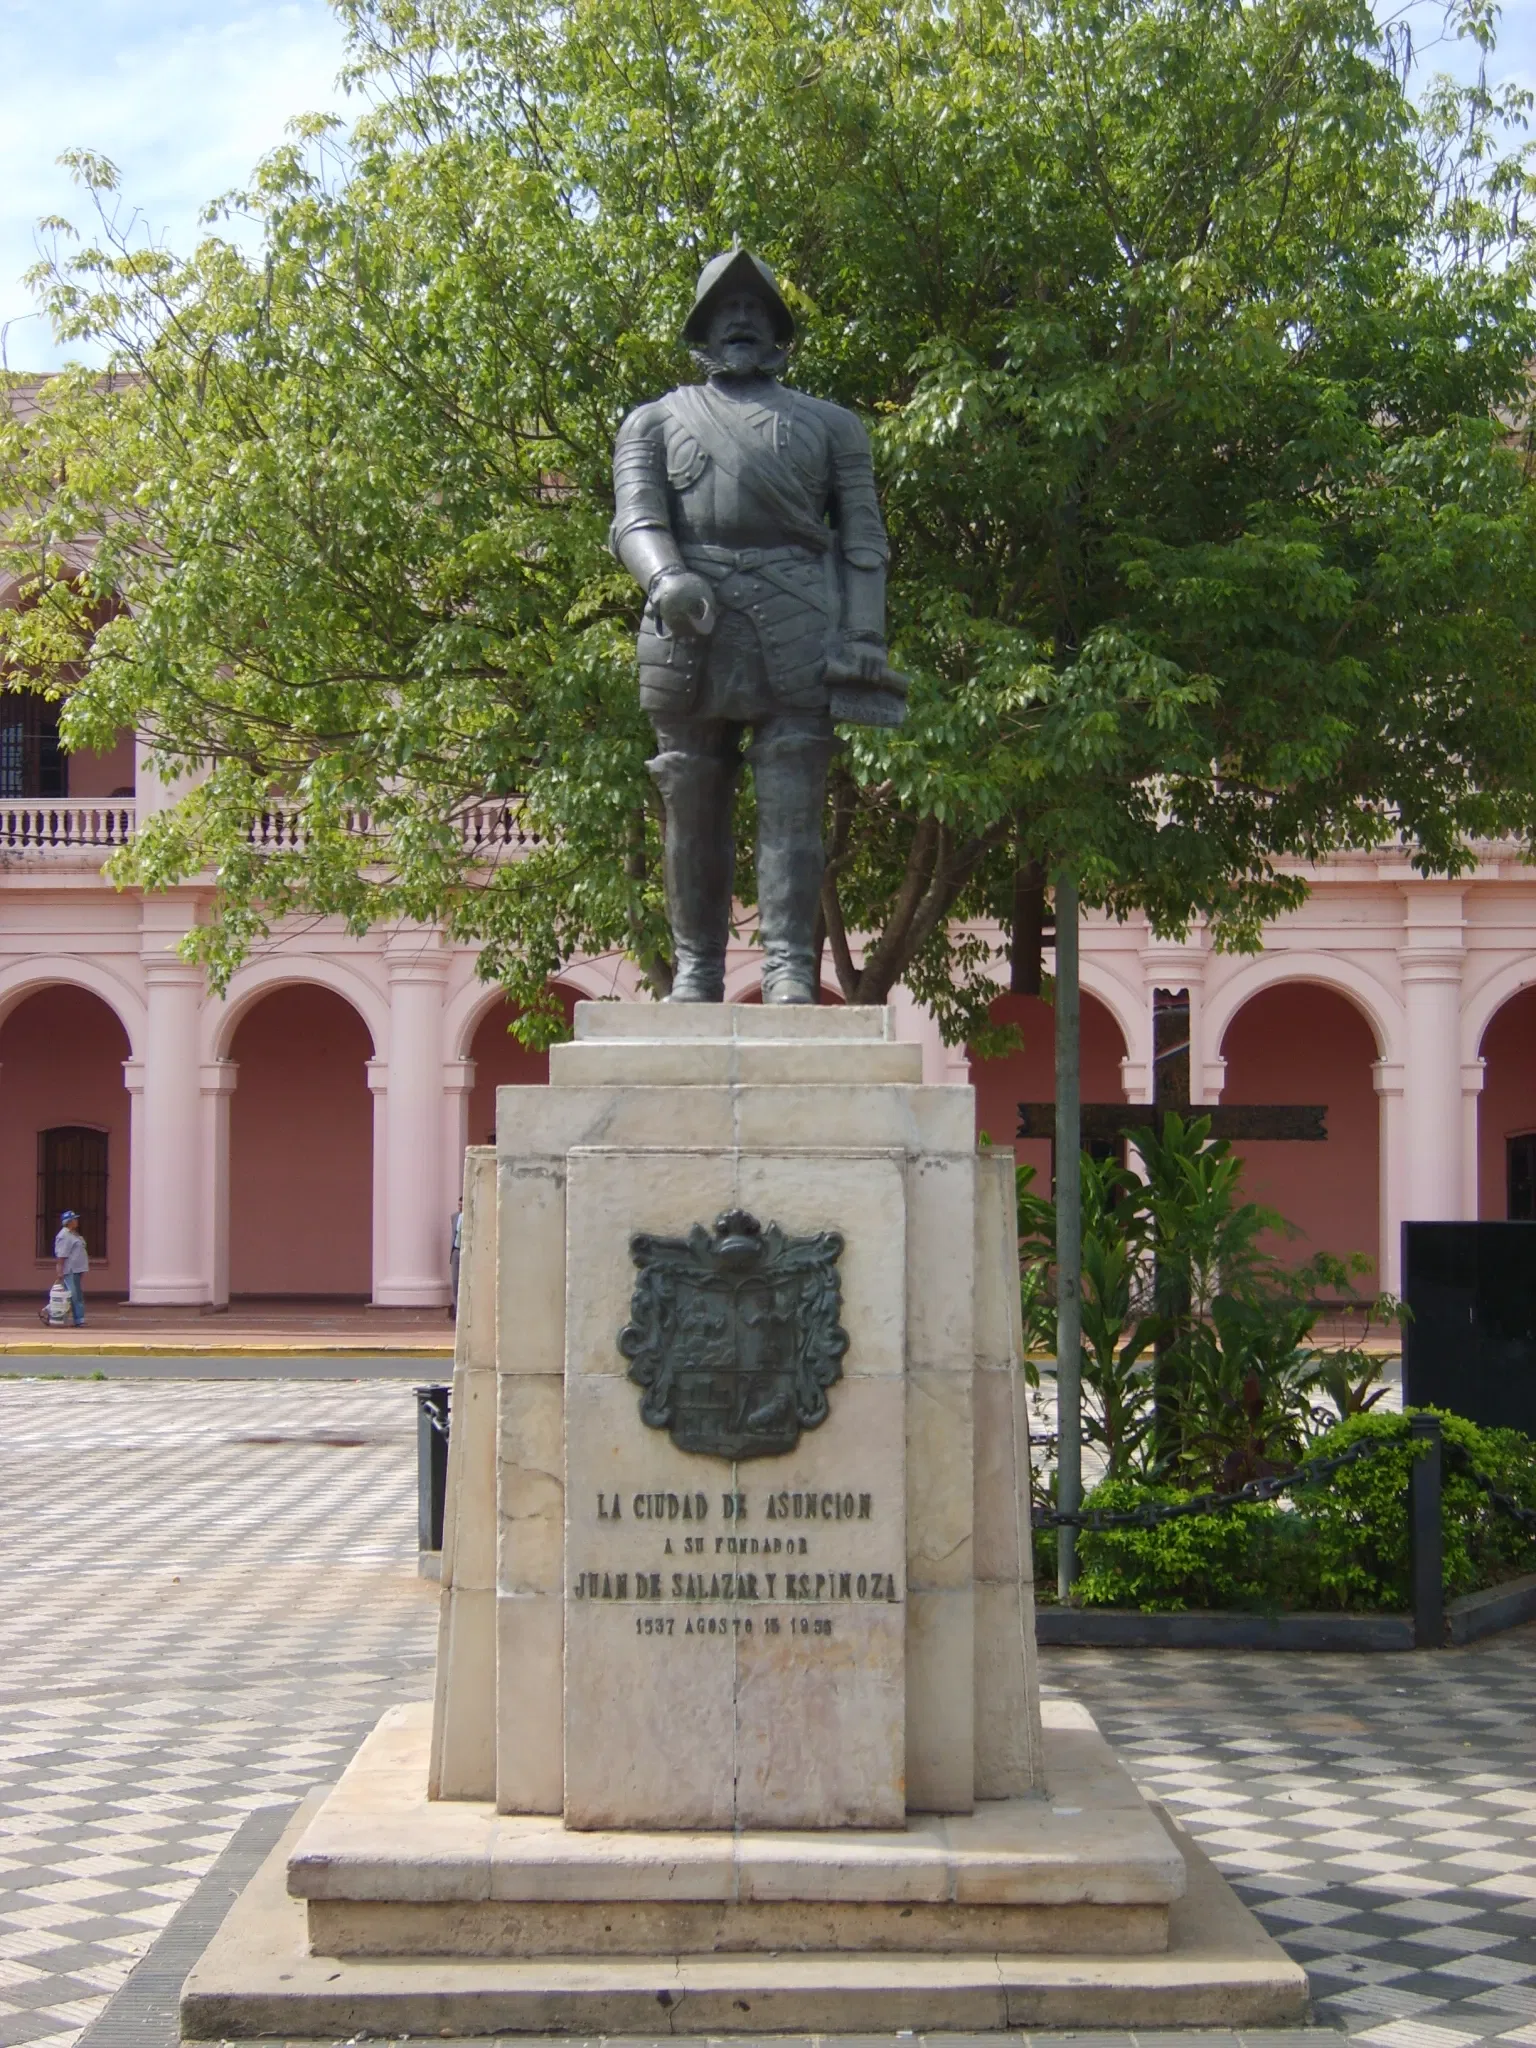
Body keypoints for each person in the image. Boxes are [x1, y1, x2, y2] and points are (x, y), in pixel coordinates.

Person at [610, 248, 904, 1004]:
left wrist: (865, 637)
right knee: (690, 795)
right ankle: (697, 966)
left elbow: (864, 537)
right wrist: (667, 577)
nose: (740, 322)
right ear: (702, 331)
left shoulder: (834, 426)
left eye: (755, 313)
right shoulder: (651, 422)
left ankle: (787, 968)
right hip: (687, 621)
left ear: (778, 332)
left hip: (799, 611)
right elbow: (636, 521)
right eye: (724, 313)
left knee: (793, 801)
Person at [53, 1210, 89, 1326]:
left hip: (77, 1269)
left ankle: (79, 1318)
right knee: (74, 1295)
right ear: (69, 1222)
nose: (76, 1221)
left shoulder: (73, 1234)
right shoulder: (64, 1235)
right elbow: (61, 1255)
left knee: (77, 1294)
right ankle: (78, 1319)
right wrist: (60, 1272)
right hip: (70, 1270)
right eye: (74, 1219)